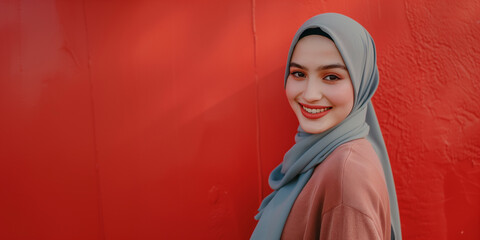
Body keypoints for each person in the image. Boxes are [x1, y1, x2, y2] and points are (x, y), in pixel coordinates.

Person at [251, 13, 401, 240]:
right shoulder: (319, 156)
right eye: (298, 74)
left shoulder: (347, 175)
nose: (310, 95)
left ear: (361, 83)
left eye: (331, 77)